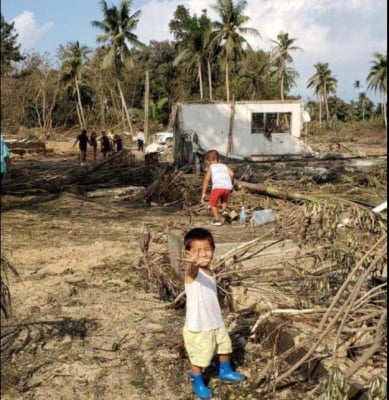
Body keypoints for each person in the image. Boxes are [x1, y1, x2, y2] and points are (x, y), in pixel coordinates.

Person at [183, 228, 244, 400]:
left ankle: (225, 371)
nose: (203, 254)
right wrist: (192, 263)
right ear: (188, 253)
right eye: (197, 251)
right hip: (199, 326)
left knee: (225, 346)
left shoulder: (210, 271)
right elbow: (192, 271)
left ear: (213, 250)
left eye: (207, 249)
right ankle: (197, 381)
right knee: (200, 357)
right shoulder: (191, 273)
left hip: (215, 322)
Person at [201, 150, 234, 226]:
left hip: (218, 188)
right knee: (224, 199)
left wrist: (203, 193)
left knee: (213, 204)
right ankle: (224, 211)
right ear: (219, 160)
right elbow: (232, 174)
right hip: (227, 187)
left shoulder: (211, 167)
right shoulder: (224, 166)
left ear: (208, 161)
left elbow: (206, 180)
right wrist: (231, 184)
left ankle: (217, 220)